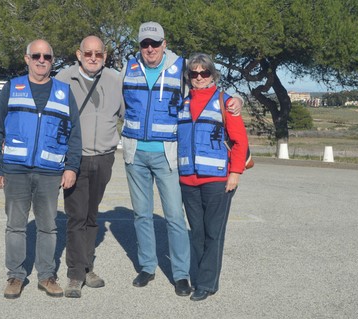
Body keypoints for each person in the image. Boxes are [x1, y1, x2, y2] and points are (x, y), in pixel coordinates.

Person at [120, 21, 243, 296]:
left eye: (155, 43)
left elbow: (208, 95)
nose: (150, 48)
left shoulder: (182, 70)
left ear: (165, 44)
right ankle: (148, 267)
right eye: (144, 44)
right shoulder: (127, 68)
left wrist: (237, 101)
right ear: (139, 46)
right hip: (134, 152)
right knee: (141, 214)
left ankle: (181, 274)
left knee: (175, 216)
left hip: (168, 155)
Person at [0, 39, 82, 299]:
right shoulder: (12, 88)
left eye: (47, 57)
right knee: (16, 226)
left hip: (50, 172)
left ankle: (46, 276)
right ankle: (15, 276)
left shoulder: (64, 92)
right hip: (15, 170)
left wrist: (71, 167)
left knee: (48, 227)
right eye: (37, 55)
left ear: (53, 61)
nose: (42, 60)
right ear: (27, 58)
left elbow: (75, 133)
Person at [55, 35, 125, 298]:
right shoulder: (63, 80)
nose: (93, 58)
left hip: (105, 157)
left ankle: (87, 267)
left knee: (92, 216)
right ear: (78, 54)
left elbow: (129, 113)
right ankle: (75, 275)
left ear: (105, 56)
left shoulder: (116, 80)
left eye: (98, 54)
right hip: (75, 159)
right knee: (76, 217)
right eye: (88, 53)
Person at [177, 53, 249, 301]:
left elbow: (240, 141)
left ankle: (207, 284)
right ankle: (201, 277)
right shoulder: (182, 104)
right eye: (194, 73)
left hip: (218, 180)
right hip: (188, 180)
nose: (199, 77)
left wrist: (235, 173)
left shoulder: (226, 102)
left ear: (212, 75)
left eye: (204, 73)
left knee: (213, 232)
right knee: (196, 232)